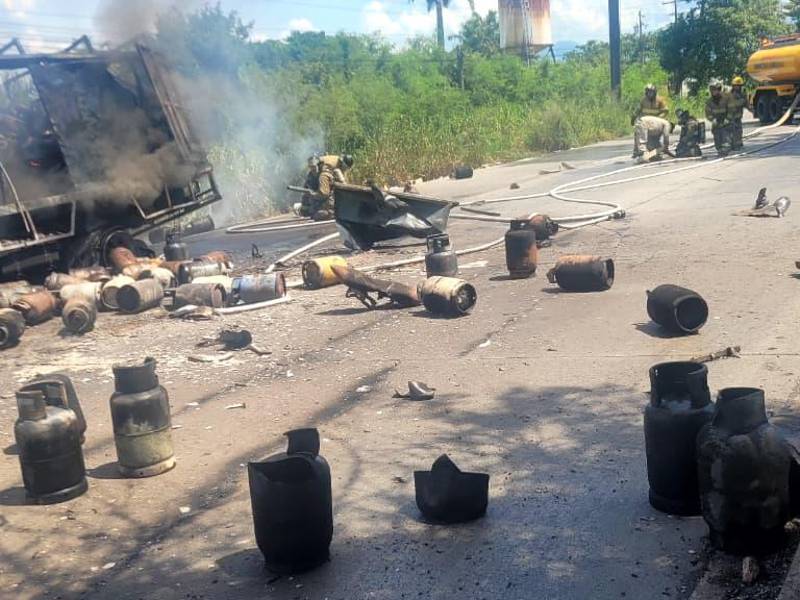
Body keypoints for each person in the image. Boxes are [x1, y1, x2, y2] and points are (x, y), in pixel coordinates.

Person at [300, 154, 355, 220]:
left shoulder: (326, 174)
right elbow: (322, 192)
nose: (312, 169)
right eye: (311, 167)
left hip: (327, 192)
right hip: (322, 183)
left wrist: (313, 194)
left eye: (313, 167)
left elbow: (324, 194)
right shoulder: (320, 174)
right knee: (307, 207)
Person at [632, 84, 669, 158]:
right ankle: (637, 151)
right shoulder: (643, 100)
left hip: (655, 123)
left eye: (651, 92)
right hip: (645, 123)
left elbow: (665, 111)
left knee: (654, 140)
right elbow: (637, 111)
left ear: (655, 92)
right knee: (638, 134)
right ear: (646, 92)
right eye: (648, 92)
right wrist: (633, 119)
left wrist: (659, 118)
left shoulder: (660, 100)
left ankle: (658, 150)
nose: (650, 94)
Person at [705, 80, 731, 156]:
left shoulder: (726, 99)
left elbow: (731, 110)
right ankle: (720, 150)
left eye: (714, 89)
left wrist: (728, 119)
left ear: (719, 89)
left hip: (726, 122)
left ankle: (725, 150)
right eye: (712, 90)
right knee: (717, 138)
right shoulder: (709, 102)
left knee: (725, 137)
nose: (713, 92)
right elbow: (708, 113)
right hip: (716, 123)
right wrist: (713, 120)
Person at [727, 76, 749, 151]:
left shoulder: (743, 95)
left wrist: (752, 110)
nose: (738, 87)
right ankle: (732, 144)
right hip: (730, 116)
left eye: (739, 86)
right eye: (736, 86)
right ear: (733, 86)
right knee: (732, 130)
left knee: (739, 130)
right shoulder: (729, 95)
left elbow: (746, 104)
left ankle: (738, 143)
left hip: (738, 116)